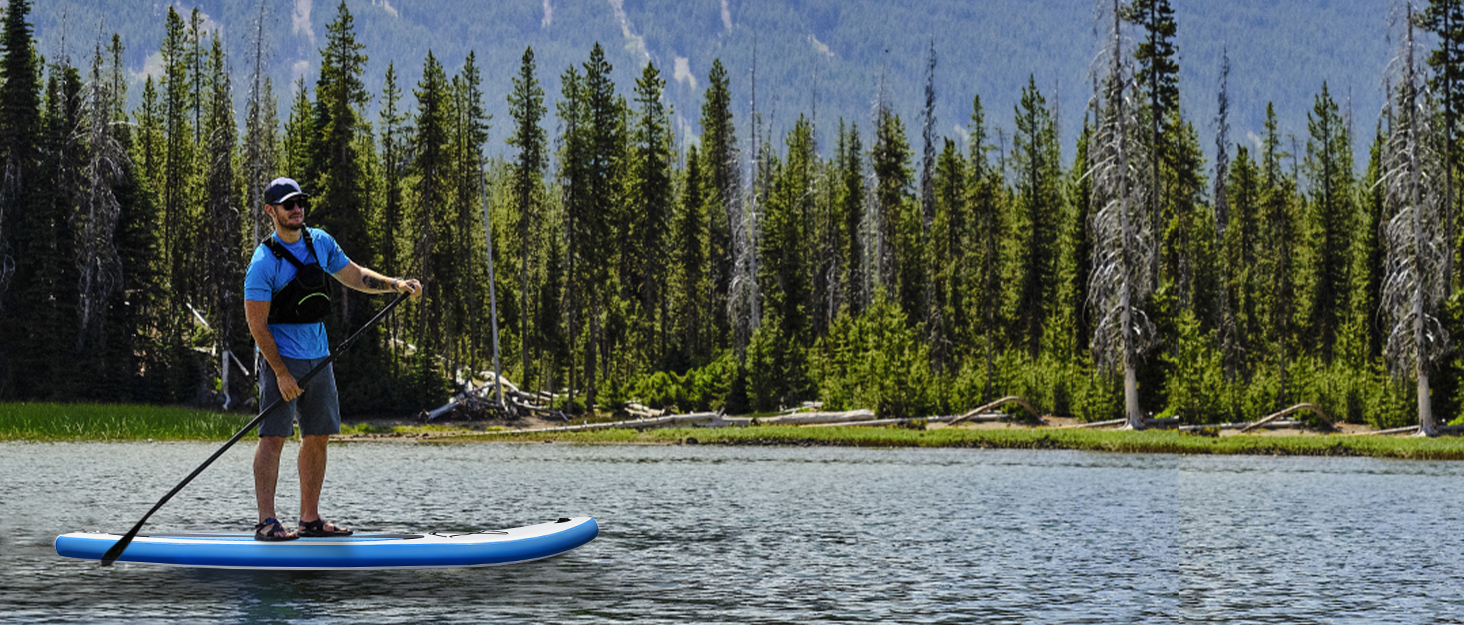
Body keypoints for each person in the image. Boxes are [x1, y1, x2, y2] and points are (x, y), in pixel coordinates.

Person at [244, 177, 422, 541]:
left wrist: (394, 284)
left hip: (320, 359)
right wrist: (280, 373)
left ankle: (309, 519)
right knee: (273, 437)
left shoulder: (320, 242)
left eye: (300, 202)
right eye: (288, 204)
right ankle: (267, 522)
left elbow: (354, 275)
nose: (297, 209)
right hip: (283, 361)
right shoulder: (263, 262)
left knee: (318, 436)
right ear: (271, 211)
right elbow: (256, 324)